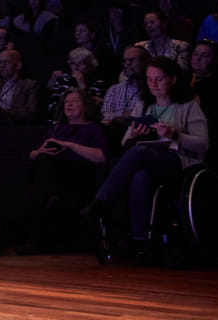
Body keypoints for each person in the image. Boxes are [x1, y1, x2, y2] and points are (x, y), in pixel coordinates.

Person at [82, 57, 209, 256]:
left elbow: (203, 143)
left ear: (172, 79)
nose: (154, 84)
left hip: (179, 162)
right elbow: (125, 143)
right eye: (150, 79)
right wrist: (134, 133)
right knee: (139, 174)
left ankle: (101, 202)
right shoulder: (144, 103)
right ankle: (140, 239)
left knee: (140, 153)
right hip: (147, 159)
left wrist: (175, 135)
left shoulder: (188, 105)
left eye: (159, 79)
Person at [18, 89, 108, 255]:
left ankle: (35, 240)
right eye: (66, 102)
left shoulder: (94, 128)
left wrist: (69, 145)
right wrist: (41, 151)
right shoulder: (57, 128)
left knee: (43, 173)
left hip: (81, 174)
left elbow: (101, 156)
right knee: (43, 162)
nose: (69, 104)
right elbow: (33, 154)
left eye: (74, 101)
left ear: (85, 105)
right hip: (53, 172)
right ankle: (36, 236)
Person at [47, 48, 109, 114]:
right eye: (73, 63)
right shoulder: (63, 81)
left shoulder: (98, 83)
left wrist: (83, 87)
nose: (76, 67)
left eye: (81, 63)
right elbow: (53, 107)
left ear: (89, 66)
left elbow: (96, 110)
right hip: (62, 120)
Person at [101, 46, 150, 125]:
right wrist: (123, 115)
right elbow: (104, 116)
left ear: (145, 62)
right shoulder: (114, 89)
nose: (127, 63)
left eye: (132, 60)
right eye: (125, 60)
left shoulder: (153, 88)